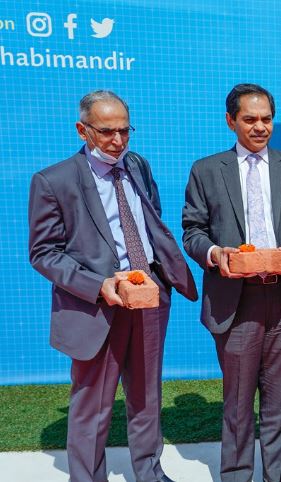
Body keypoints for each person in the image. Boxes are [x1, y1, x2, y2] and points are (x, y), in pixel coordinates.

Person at [28, 90, 198, 482]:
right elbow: (43, 253)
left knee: (147, 395)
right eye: (106, 132)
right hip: (97, 305)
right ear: (82, 130)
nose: (118, 141)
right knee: (93, 403)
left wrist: (157, 277)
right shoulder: (54, 181)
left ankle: (150, 473)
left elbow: (149, 223)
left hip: (149, 296)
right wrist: (100, 284)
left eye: (125, 130)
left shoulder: (137, 165)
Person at [182, 83, 281, 482]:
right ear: (231, 121)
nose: (260, 127)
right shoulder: (207, 170)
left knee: (278, 404)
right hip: (235, 301)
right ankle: (238, 476)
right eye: (250, 120)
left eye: (266, 119)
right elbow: (193, 230)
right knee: (239, 405)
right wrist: (215, 255)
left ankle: (276, 476)